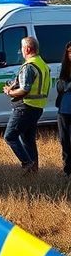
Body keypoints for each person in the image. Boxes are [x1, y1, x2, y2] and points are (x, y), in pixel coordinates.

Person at [3, 36, 51, 174]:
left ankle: (27, 163)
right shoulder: (42, 63)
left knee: (10, 136)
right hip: (38, 107)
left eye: (22, 48)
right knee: (28, 139)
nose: (20, 51)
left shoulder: (29, 66)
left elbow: (25, 89)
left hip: (25, 106)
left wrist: (10, 92)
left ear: (28, 49)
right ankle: (34, 170)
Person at [56, 41, 71, 176]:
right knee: (64, 141)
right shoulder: (64, 68)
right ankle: (67, 170)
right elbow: (60, 88)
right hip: (64, 110)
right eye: (69, 52)